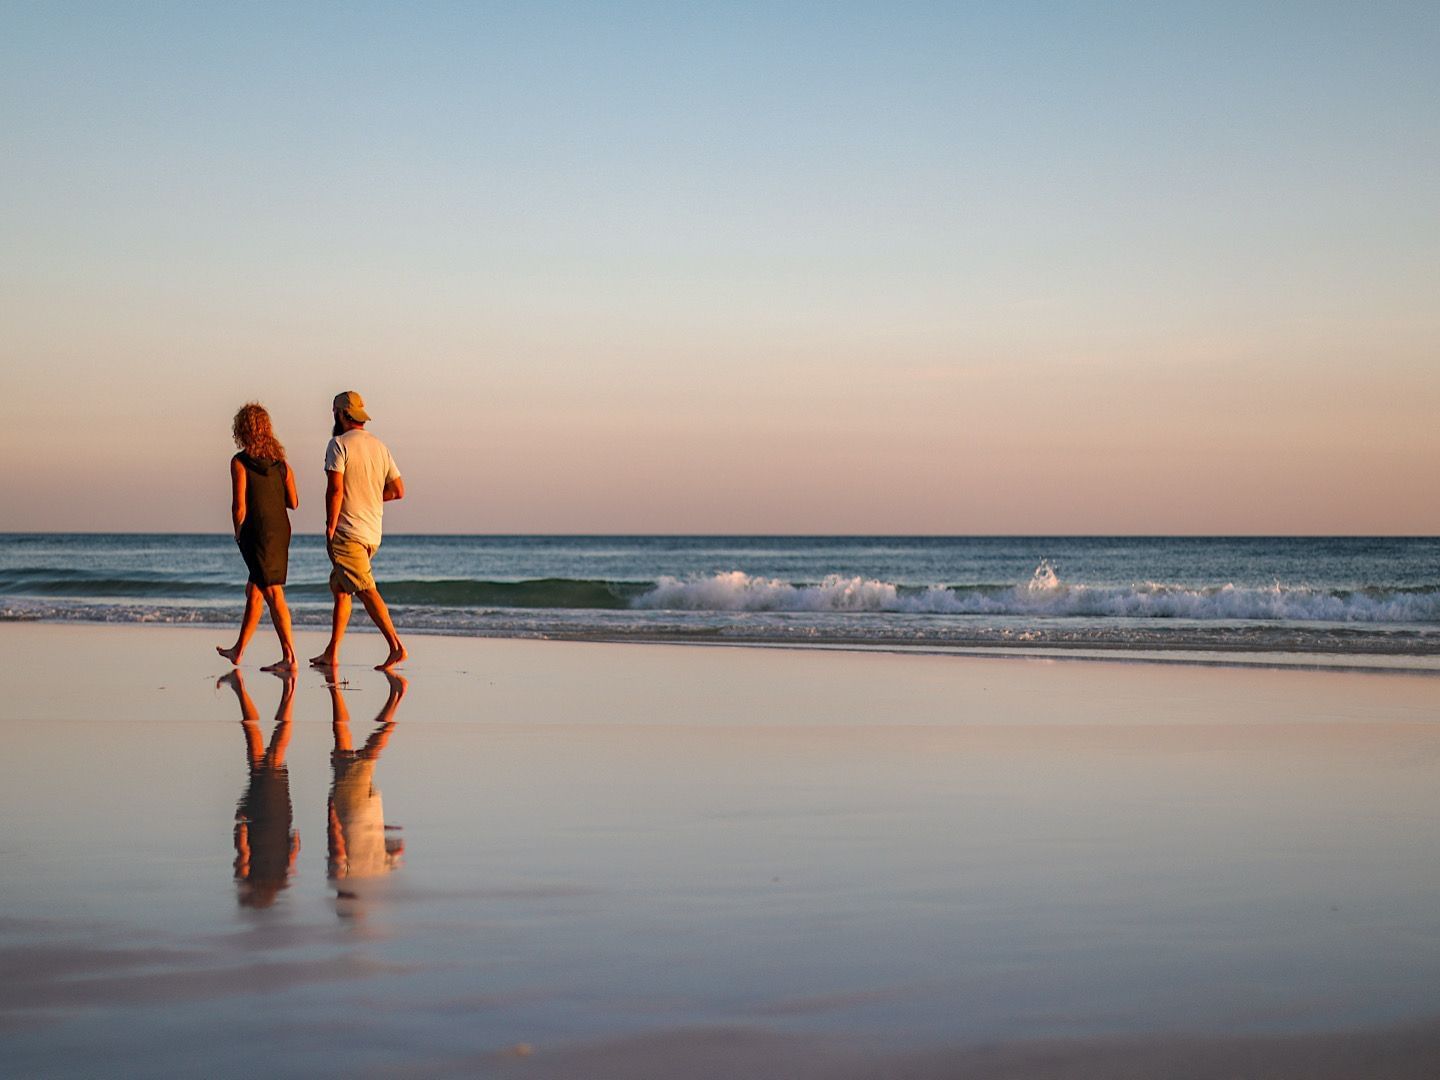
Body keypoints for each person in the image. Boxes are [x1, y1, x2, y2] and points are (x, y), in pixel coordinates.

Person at [309, 391, 407, 670]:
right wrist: (371, 496)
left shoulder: (338, 444)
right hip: (371, 534)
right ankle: (332, 652)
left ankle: (396, 646)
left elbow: (335, 489)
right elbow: (398, 490)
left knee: (364, 589)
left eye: (334, 413)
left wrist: (329, 526)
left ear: (341, 414)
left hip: (347, 531)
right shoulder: (379, 446)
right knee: (341, 589)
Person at [218, 403, 298, 670]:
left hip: (257, 531)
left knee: (273, 593)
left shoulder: (240, 462)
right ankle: (238, 651)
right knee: (255, 591)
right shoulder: (282, 464)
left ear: (242, 430)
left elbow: (239, 506)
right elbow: (294, 502)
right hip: (280, 530)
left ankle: (290, 657)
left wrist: (238, 533)